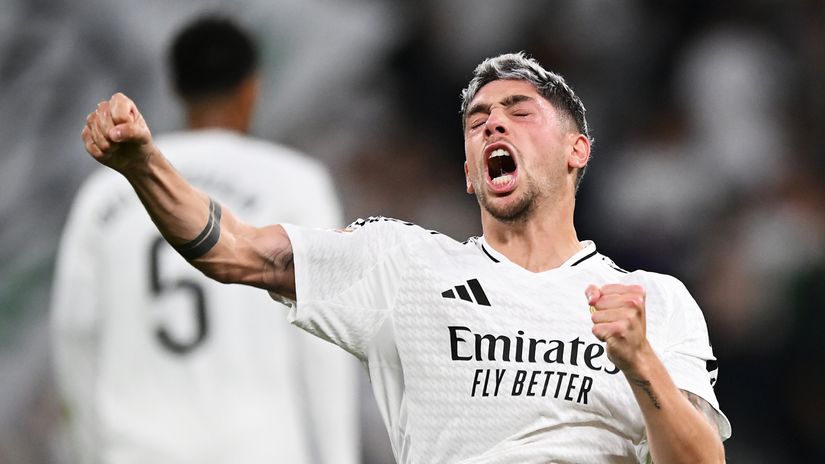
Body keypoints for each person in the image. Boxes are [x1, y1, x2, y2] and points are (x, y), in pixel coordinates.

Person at [79, 52, 731, 463]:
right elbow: (236, 252)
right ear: (470, 173)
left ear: (576, 150)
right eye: (477, 121)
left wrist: (640, 363)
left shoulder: (654, 301)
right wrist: (144, 166)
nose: (492, 124)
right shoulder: (403, 266)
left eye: (518, 111)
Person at [52, 16, 361, 464]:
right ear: (251, 88)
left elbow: (73, 333)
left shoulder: (104, 192)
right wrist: (338, 456)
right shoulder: (296, 184)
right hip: (257, 449)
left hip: (137, 449)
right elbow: (326, 338)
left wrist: (90, 451)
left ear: (175, 88)